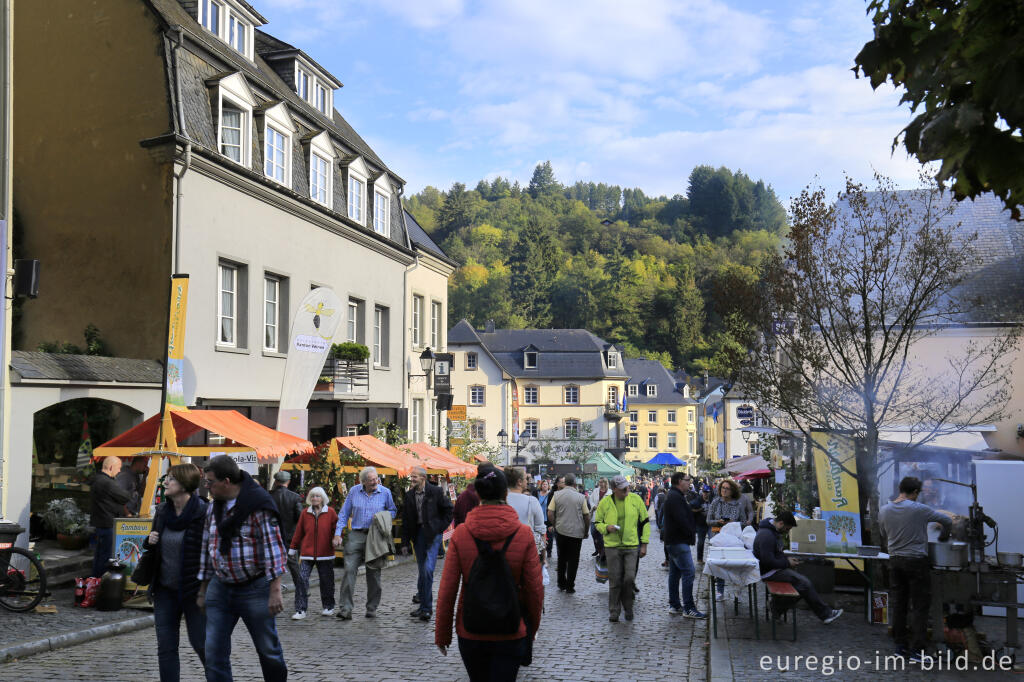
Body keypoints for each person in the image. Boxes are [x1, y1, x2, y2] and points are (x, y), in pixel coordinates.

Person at [435, 467, 543, 682]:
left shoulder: (462, 533)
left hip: (471, 629)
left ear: (478, 495)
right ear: (505, 495)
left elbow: (448, 589)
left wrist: (442, 634)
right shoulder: (523, 534)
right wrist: (532, 628)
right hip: (511, 628)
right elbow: (534, 588)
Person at [196, 455, 288, 682]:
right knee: (213, 650)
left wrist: (275, 589)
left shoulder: (258, 505)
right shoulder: (212, 508)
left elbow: (273, 547)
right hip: (220, 586)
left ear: (226, 481)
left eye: (210, 482)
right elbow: (207, 547)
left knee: (268, 650)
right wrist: (203, 588)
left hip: (254, 588)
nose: (207, 486)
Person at [145, 463, 209, 682]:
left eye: (170, 479)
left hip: (194, 591)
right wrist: (149, 541)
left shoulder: (203, 512)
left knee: (201, 644)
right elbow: (155, 546)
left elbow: (210, 553)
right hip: (165, 590)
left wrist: (205, 589)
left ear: (184, 484)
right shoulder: (163, 511)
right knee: (166, 646)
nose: (166, 482)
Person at [879, 476, 953, 662]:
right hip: (916, 562)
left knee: (899, 604)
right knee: (920, 606)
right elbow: (947, 521)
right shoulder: (920, 509)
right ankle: (917, 651)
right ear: (915, 493)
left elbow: (883, 534)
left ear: (899, 489)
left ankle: (900, 646)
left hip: (895, 561)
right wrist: (944, 536)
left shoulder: (884, 510)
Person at [752, 510, 842, 625]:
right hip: (770, 572)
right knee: (804, 584)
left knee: (803, 585)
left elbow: (774, 555)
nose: (787, 532)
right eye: (787, 529)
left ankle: (777, 607)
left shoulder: (771, 531)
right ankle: (825, 614)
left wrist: (787, 560)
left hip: (773, 569)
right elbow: (768, 561)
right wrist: (787, 563)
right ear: (781, 523)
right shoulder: (767, 536)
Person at [333, 466, 397, 620]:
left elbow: (393, 511)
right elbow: (343, 514)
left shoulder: (385, 492)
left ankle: (372, 607)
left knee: (374, 574)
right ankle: (345, 609)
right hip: (356, 535)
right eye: (371, 480)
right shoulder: (354, 491)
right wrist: (337, 534)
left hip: (375, 536)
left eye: (376, 479)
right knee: (349, 571)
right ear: (363, 482)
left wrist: (383, 516)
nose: (375, 482)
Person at [594, 475, 650, 622]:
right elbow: (597, 522)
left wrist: (644, 544)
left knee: (629, 578)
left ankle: (628, 606)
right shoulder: (605, 502)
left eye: (627, 486)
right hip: (612, 547)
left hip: (631, 546)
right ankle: (614, 611)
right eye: (623, 488)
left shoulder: (635, 500)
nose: (627, 489)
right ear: (614, 490)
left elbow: (645, 522)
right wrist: (607, 528)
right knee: (615, 580)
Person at [403, 466, 454, 621]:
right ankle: (423, 606)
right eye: (411, 477)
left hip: (432, 535)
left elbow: (448, 511)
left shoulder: (436, 492)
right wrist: (405, 542)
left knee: (427, 569)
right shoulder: (409, 495)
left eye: (415, 477)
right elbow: (406, 519)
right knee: (422, 570)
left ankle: (426, 608)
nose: (412, 479)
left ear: (423, 478)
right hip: (418, 535)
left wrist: (439, 528)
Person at [288, 486, 338, 620]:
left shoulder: (331, 512)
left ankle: (328, 606)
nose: (315, 498)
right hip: (307, 553)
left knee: (327, 581)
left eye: (318, 496)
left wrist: (337, 539)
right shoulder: (305, 513)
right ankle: (300, 609)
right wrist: (293, 548)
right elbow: (299, 532)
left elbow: (336, 529)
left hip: (325, 552)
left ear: (323, 498)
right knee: (302, 580)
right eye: (313, 496)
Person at [662, 472, 705, 619]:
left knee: (675, 574)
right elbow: (681, 520)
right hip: (678, 541)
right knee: (689, 572)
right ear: (679, 481)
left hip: (673, 541)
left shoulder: (675, 496)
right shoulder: (675, 498)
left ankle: (674, 605)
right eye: (687, 480)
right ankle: (689, 607)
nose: (690, 483)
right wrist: (691, 532)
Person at [547, 473, 590, 593]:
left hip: (561, 531)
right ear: (575, 484)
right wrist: (586, 531)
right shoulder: (581, 497)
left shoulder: (557, 495)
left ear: (565, 483)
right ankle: (570, 586)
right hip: (576, 533)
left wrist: (555, 524)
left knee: (562, 558)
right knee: (573, 559)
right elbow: (587, 516)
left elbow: (550, 513)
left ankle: (561, 583)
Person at [91, 456, 132, 577]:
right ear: (111, 467)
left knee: (99, 556)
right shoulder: (106, 482)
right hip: (107, 524)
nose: (119, 471)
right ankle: (100, 584)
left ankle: (95, 583)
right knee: (105, 557)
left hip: (101, 523)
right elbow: (125, 496)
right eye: (119, 468)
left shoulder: (98, 479)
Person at [269, 470, 303, 595]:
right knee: (293, 565)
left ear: (276, 481)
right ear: (288, 482)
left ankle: (271, 590)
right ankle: (301, 588)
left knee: (271, 564)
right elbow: (300, 518)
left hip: (271, 536)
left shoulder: (268, 496)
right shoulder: (294, 497)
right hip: (289, 536)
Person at [506, 467, 546, 557]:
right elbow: (541, 530)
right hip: (527, 550)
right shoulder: (532, 501)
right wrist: (544, 558)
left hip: (505, 550)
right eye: (526, 479)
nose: (527, 481)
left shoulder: (499, 500)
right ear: (519, 482)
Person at [686, 485, 711, 563]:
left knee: (713, 540)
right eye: (704, 492)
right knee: (701, 542)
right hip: (701, 524)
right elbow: (689, 507)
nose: (706, 494)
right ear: (702, 492)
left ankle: (712, 558)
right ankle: (699, 559)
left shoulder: (712, 500)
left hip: (711, 524)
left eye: (707, 492)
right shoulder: (698, 500)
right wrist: (698, 510)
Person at [588, 478, 610, 559]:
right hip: (595, 514)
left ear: (605, 483)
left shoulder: (609, 492)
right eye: (599, 482)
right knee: (593, 532)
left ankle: (602, 551)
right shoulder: (595, 490)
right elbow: (591, 500)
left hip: (604, 517)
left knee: (601, 535)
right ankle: (597, 548)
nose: (600, 484)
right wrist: (594, 506)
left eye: (602, 482)